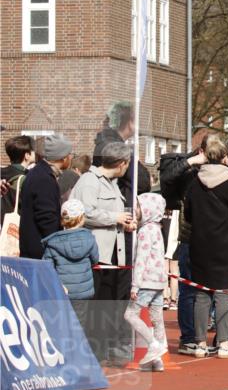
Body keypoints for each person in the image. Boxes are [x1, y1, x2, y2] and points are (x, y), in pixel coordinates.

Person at [184, 134, 228, 359]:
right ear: (224, 157)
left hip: (200, 243)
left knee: (202, 294)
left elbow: (188, 215)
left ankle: (200, 343)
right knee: (223, 294)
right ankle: (223, 343)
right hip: (226, 243)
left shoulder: (194, 184)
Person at [70, 141, 136, 365]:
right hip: (96, 254)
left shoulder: (112, 184)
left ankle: (102, 350)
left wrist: (124, 223)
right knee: (96, 305)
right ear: (121, 163)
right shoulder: (89, 181)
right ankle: (92, 353)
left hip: (112, 254)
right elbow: (85, 212)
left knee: (107, 304)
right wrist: (115, 218)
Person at [159, 129, 211, 356]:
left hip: (210, 238)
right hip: (189, 237)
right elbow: (166, 179)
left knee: (207, 291)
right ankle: (189, 338)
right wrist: (191, 161)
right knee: (189, 288)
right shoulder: (189, 171)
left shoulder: (216, 171)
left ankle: (204, 337)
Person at [123, 192, 169, 371]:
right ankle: (157, 360)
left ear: (147, 209)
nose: (135, 209)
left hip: (146, 281)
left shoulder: (145, 231)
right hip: (159, 281)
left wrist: (135, 285)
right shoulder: (157, 229)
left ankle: (153, 345)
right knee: (157, 319)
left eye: (138, 206)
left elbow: (141, 259)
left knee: (130, 315)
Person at [42, 199, 99, 337]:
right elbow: (95, 260)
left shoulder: (53, 243)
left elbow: (46, 267)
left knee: (61, 324)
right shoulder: (89, 239)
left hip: (62, 291)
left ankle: (62, 347)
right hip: (83, 292)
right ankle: (77, 348)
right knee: (79, 325)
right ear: (81, 218)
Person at [19, 133, 73, 259]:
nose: (71, 157)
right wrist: (59, 248)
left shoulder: (38, 173)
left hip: (34, 249)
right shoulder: (44, 178)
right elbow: (46, 219)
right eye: (70, 154)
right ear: (63, 157)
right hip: (41, 253)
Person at [92, 101, 150, 207]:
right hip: (116, 210)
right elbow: (142, 182)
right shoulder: (115, 148)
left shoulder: (106, 143)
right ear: (129, 122)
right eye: (137, 120)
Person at [1, 134, 35, 221]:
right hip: (17, 225)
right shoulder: (27, 178)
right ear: (27, 155)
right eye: (33, 151)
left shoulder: (2, 173)